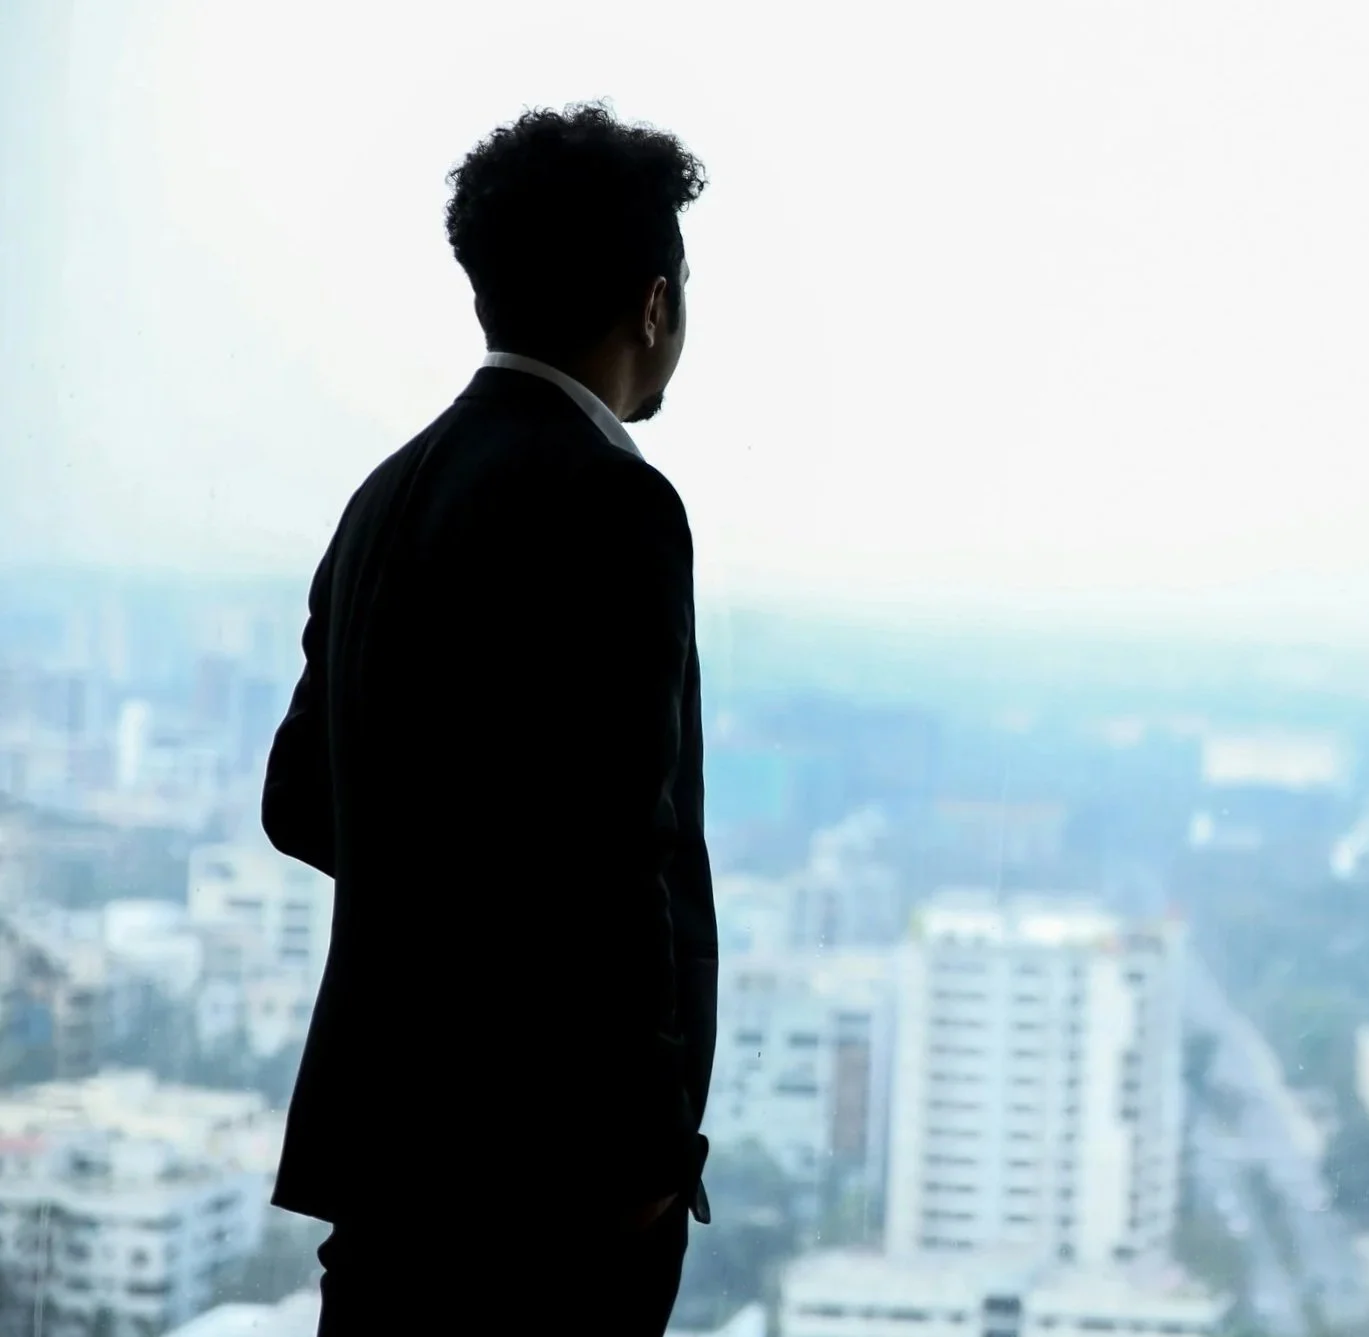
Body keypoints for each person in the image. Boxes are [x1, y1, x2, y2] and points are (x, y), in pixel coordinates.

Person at [261, 102, 718, 1335]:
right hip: (557, 1180)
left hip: (388, 1155)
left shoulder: (386, 493)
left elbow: (297, 800)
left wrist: (443, 890)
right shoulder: (614, 500)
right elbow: (619, 854)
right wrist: (642, 1157)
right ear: (654, 304)